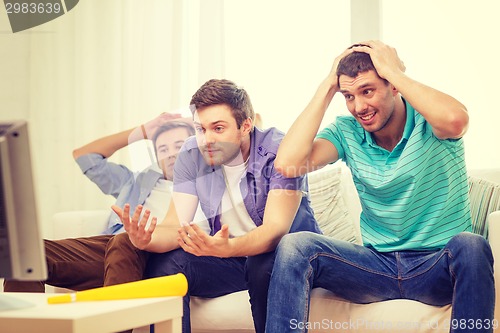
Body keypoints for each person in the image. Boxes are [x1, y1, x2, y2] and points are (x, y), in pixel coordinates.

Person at [266, 40, 495, 332]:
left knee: (472, 245)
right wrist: (327, 87)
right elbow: (288, 163)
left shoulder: (429, 119)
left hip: (436, 266)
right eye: (348, 96)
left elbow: (456, 120)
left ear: (394, 86)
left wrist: (395, 72)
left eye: (368, 91)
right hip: (376, 267)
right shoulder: (347, 132)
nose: (359, 107)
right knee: (295, 246)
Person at [111, 79, 321, 333]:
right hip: (230, 258)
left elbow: (274, 232)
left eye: (218, 128)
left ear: (246, 125)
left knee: (261, 265)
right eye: (200, 129)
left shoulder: (279, 150)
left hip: (283, 257)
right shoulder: (191, 153)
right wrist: (145, 240)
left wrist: (227, 248)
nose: (206, 140)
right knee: (166, 264)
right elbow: (175, 225)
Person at [3, 113, 195, 292]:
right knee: (27, 256)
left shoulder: (205, 184)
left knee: (124, 240)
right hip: (111, 251)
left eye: (179, 146)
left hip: (159, 255)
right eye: (163, 149)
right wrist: (143, 131)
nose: (171, 154)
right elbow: (85, 157)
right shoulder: (136, 182)